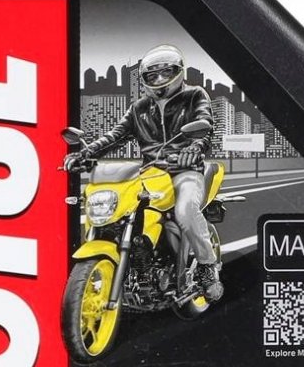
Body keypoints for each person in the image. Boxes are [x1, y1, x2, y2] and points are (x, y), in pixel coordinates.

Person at [64, 44, 223, 301]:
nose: (159, 79)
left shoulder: (195, 95)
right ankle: (140, 256)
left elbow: (205, 125)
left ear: (178, 72)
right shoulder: (139, 108)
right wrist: (85, 153)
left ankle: (207, 266)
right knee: (125, 209)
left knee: (185, 210)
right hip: (151, 172)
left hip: (185, 170)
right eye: (153, 75)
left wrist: (194, 148)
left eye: (165, 72)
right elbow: (115, 135)